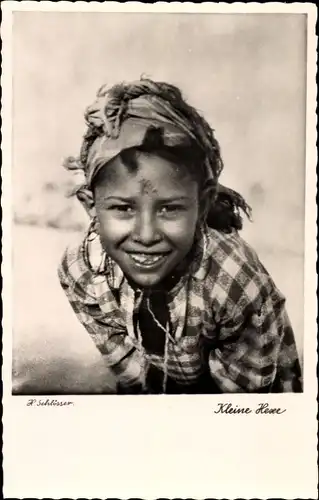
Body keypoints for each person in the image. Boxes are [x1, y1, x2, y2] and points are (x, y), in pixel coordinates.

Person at [58, 78, 302, 394]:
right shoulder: (82, 271)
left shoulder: (233, 280)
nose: (146, 236)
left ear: (202, 205)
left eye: (169, 209)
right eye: (123, 209)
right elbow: (128, 369)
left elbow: (244, 403)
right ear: (91, 207)